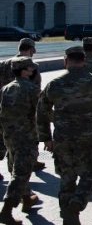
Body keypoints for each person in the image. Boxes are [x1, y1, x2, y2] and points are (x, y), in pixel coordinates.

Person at [36, 46, 92, 225]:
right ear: (84, 61)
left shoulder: (54, 84)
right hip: (89, 136)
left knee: (67, 175)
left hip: (63, 137)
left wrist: (46, 137)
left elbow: (42, 111)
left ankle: (68, 215)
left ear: (65, 61)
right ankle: (77, 202)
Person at [0, 57, 41, 224]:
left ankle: (27, 198)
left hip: (9, 136)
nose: (32, 71)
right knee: (21, 172)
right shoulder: (32, 89)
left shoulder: (6, 89)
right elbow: (40, 114)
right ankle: (6, 211)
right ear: (24, 70)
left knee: (17, 168)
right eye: (30, 68)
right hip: (26, 136)